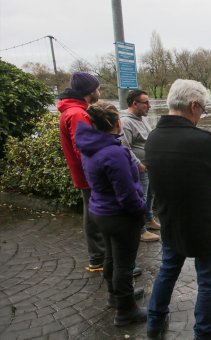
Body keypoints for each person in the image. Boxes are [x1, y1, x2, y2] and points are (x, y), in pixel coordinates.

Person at [145, 79, 211, 340]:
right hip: (203, 221)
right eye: (203, 110)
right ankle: (205, 333)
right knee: (207, 281)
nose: (202, 116)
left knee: (167, 270)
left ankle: (154, 322)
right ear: (193, 105)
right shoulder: (201, 140)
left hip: (171, 218)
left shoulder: (153, 137)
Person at [57, 72, 143, 277]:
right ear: (89, 91)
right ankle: (101, 260)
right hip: (91, 177)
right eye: (97, 88)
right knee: (94, 216)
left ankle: (104, 261)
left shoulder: (73, 110)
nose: (99, 91)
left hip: (87, 175)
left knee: (93, 213)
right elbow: (85, 148)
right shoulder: (77, 113)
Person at [75, 101, 148, 326]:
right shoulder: (113, 153)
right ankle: (126, 311)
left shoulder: (90, 147)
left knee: (110, 257)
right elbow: (126, 194)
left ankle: (114, 296)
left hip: (100, 211)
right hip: (119, 216)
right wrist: (141, 211)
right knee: (124, 265)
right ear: (117, 123)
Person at [119, 90, 160, 243]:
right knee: (140, 199)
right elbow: (124, 147)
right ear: (134, 104)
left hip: (149, 165)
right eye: (146, 103)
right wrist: (138, 164)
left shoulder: (141, 118)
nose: (149, 106)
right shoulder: (126, 122)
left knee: (150, 195)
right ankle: (140, 230)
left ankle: (149, 219)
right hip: (139, 168)